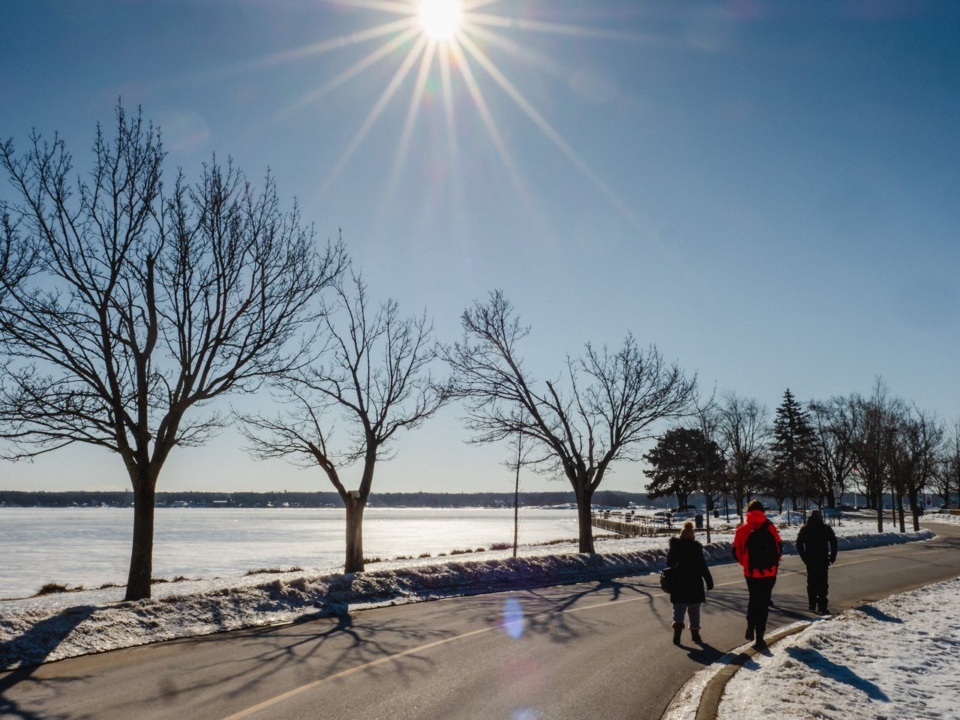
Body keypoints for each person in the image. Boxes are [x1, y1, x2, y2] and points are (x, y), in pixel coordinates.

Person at [732, 499, 782, 650]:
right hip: (769, 572)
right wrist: (773, 564)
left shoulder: (742, 530)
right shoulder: (771, 528)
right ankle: (760, 636)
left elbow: (736, 552)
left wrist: (747, 564)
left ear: (748, 512)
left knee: (754, 599)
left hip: (751, 573)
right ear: (762, 511)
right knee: (764, 602)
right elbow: (778, 548)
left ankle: (750, 626)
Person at [666, 520, 714, 645]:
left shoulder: (675, 548)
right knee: (694, 609)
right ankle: (695, 634)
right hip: (694, 583)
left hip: (678, 583)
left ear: (681, 536)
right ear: (693, 536)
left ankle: (677, 631)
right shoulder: (695, 549)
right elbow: (702, 566)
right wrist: (709, 581)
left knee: (679, 608)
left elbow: (668, 564)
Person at [795, 509, 838, 615]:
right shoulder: (825, 528)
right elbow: (833, 542)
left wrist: (804, 557)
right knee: (823, 583)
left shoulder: (805, 529)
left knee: (811, 582)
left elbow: (799, 544)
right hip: (822, 559)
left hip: (810, 560)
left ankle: (812, 603)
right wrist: (832, 556)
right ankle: (822, 606)